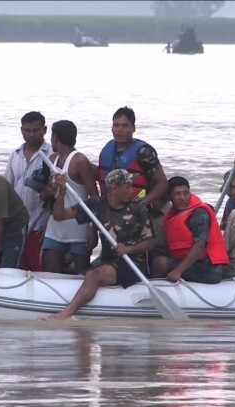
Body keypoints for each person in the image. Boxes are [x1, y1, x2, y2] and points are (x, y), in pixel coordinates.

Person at [45, 168, 155, 320]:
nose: (132, 190)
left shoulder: (138, 208)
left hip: (133, 263)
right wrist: (61, 193)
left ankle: (67, 313)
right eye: (128, 186)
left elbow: (150, 243)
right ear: (115, 189)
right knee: (84, 273)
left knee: (94, 275)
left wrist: (129, 249)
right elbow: (59, 216)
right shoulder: (97, 205)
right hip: (109, 260)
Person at [96, 106, 169, 259]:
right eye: (116, 125)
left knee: (136, 256)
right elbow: (102, 176)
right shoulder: (107, 149)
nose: (119, 130)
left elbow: (162, 183)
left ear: (133, 128)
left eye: (124, 125)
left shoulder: (144, 152)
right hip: (110, 214)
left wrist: (144, 202)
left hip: (136, 215)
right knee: (110, 254)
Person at [41, 120, 100, 274]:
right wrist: (50, 190)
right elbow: (44, 195)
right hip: (55, 227)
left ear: (55, 138)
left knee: (81, 274)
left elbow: (95, 197)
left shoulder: (79, 161)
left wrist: (94, 231)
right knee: (50, 272)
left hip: (78, 228)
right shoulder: (52, 159)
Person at [152, 176, 229, 284]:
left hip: (212, 269)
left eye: (185, 193)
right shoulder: (173, 215)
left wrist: (178, 271)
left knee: (159, 263)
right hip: (198, 264)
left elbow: (200, 245)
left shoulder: (198, 213)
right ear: (169, 197)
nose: (182, 198)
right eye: (177, 194)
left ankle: (156, 293)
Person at [4, 111, 54, 272]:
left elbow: (58, 193)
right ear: (21, 130)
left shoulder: (52, 154)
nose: (31, 134)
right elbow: (7, 188)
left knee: (39, 271)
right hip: (17, 225)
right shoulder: (15, 154)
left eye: (35, 130)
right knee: (16, 270)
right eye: (27, 130)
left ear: (44, 130)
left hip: (41, 225)